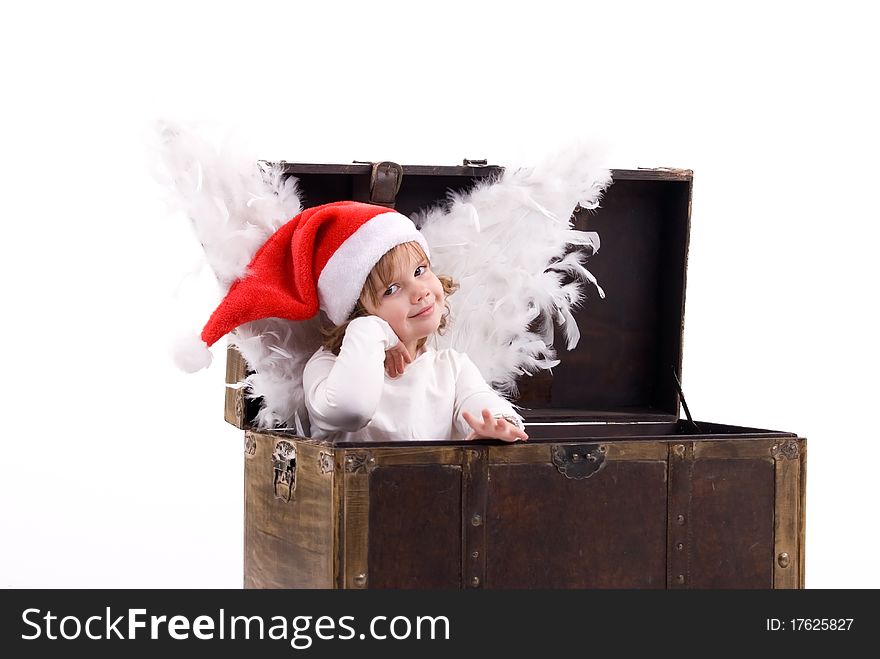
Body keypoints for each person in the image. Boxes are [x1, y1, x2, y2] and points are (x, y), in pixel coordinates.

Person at [186, 200, 528, 443]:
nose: (420, 292)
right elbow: (350, 410)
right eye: (391, 289)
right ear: (355, 313)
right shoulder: (324, 369)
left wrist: (494, 422)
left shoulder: (451, 367)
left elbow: (478, 401)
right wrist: (371, 331)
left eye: (421, 271)